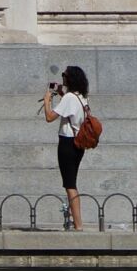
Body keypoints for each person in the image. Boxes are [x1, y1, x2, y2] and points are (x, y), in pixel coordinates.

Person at [43, 64, 91, 231]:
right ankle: (75, 223)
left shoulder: (69, 98)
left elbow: (50, 117)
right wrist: (62, 95)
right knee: (71, 183)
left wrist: (48, 100)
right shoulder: (81, 97)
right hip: (79, 144)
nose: (62, 78)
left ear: (70, 78)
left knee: (70, 185)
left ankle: (78, 225)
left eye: (64, 75)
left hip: (67, 144)